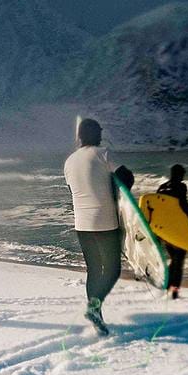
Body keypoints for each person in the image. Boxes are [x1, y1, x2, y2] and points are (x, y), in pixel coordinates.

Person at [63, 117, 131, 335]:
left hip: (81, 224)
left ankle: (97, 315)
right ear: (95, 134)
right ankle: (94, 307)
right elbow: (127, 178)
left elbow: (73, 190)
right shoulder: (104, 154)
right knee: (112, 269)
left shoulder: (69, 161)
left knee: (94, 270)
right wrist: (113, 188)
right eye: (99, 132)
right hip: (105, 222)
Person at [154, 164, 188, 300]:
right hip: (177, 230)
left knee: (175, 259)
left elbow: (156, 207)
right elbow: (183, 204)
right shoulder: (181, 186)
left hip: (165, 230)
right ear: (178, 174)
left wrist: (156, 232)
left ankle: (167, 285)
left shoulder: (162, 187)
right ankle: (174, 290)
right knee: (178, 261)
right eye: (182, 174)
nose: (183, 177)